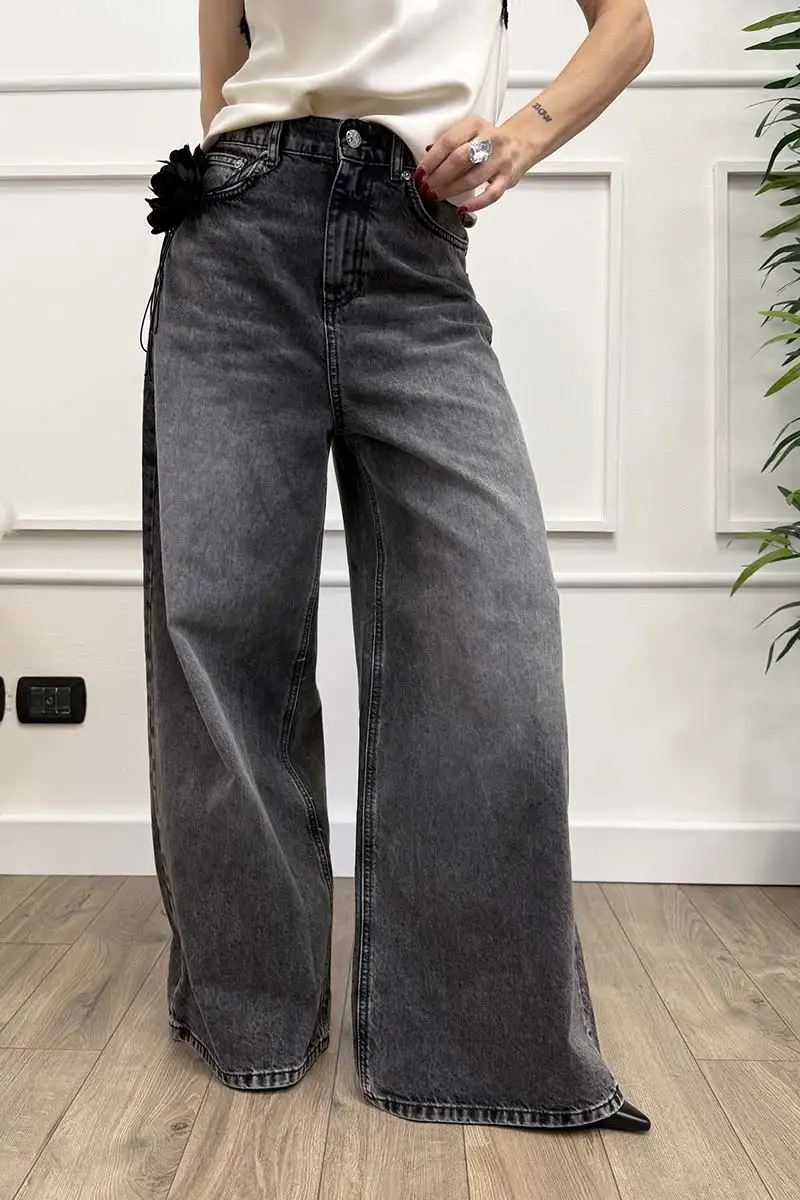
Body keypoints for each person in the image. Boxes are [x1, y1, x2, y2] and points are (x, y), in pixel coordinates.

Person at [140, 0, 655, 1133]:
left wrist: (518, 135)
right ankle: (252, 1017)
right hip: (234, 247)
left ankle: (477, 1045)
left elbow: (625, 25)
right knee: (224, 644)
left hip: (414, 246)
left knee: (492, 648)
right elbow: (222, 81)